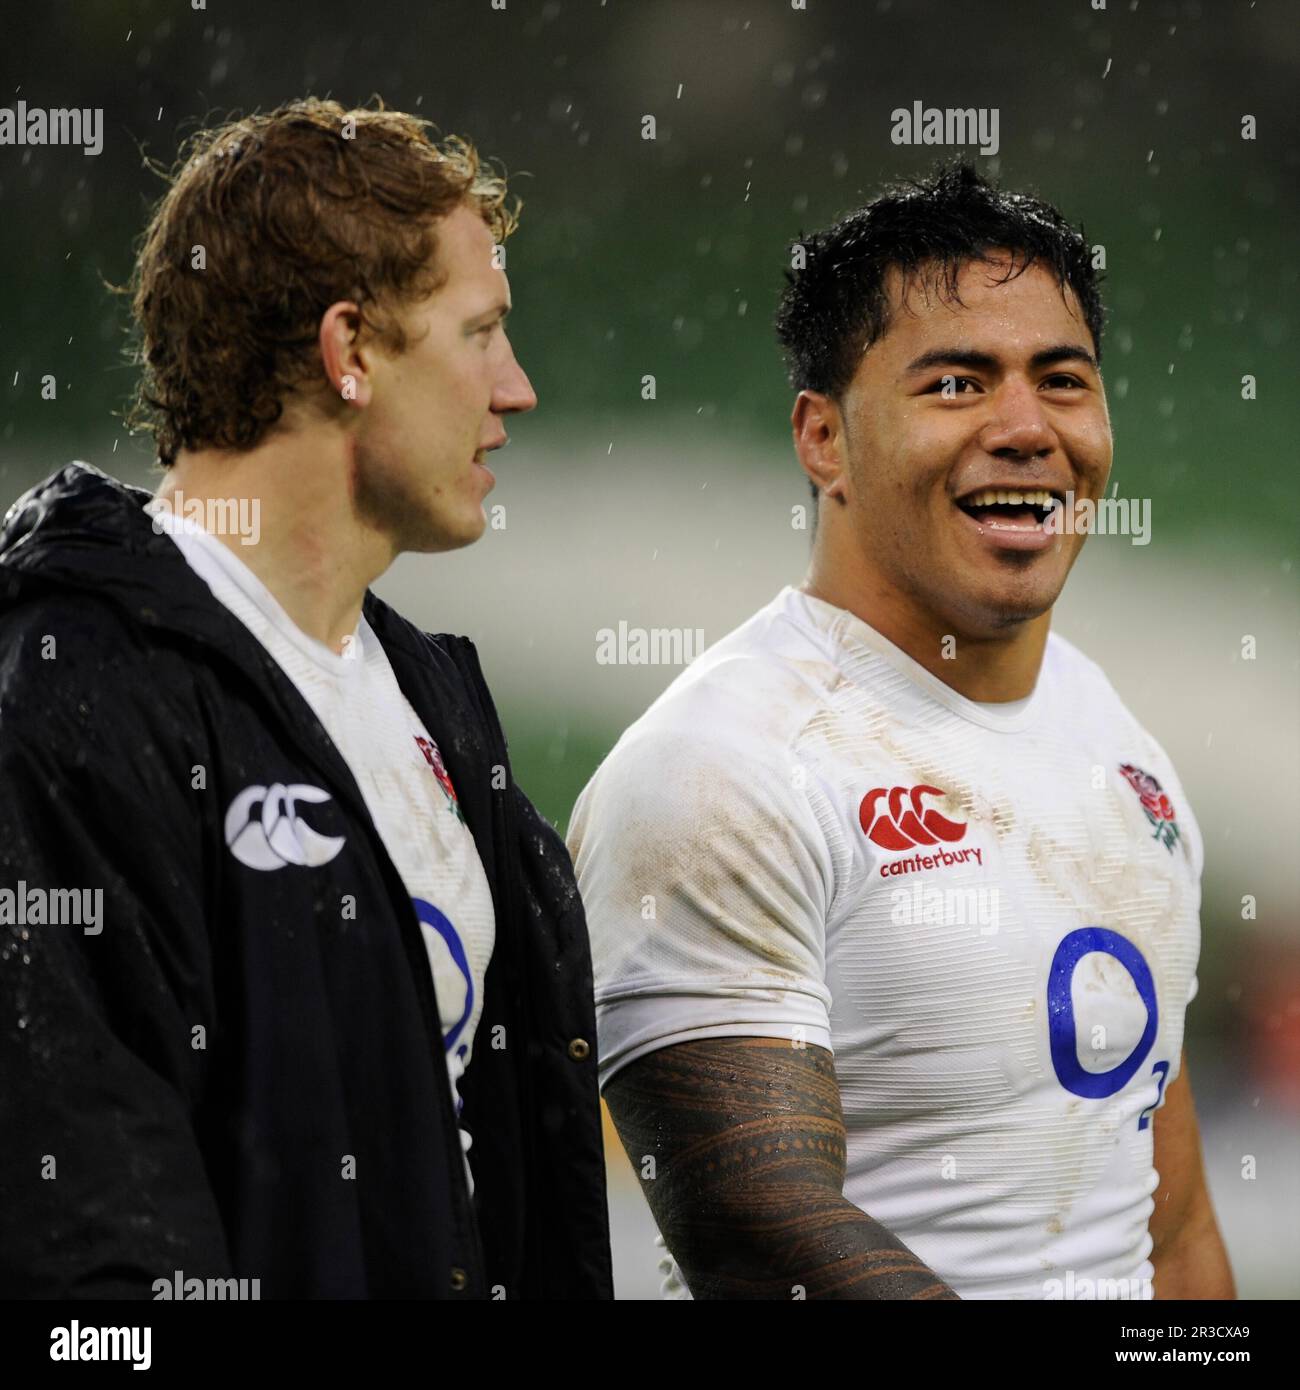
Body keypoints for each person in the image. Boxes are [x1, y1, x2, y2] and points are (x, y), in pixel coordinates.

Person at [568, 163, 1233, 1300]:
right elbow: (758, 1234)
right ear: (822, 439)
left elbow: (1163, 1227)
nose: (1025, 426)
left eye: (1062, 380)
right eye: (957, 383)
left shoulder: (1118, 744)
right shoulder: (724, 763)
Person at [0, 98, 612, 1300]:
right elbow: (85, 1255)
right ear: (350, 351)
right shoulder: (67, 703)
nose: (517, 388)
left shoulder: (433, 698)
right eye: (480, 334)